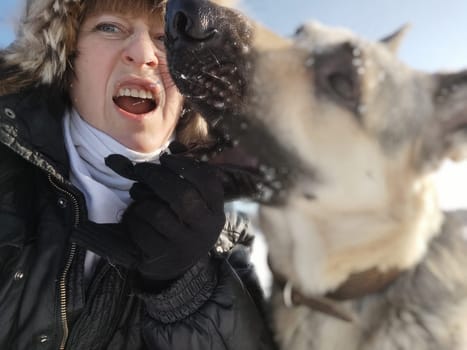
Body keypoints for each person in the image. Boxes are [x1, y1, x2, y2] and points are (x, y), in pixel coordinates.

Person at [0, 0, 275, 349]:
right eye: (110, 27)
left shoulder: (230, 240)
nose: (144, 53)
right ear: (67, 59)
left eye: (164, 37)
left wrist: (186, 291)